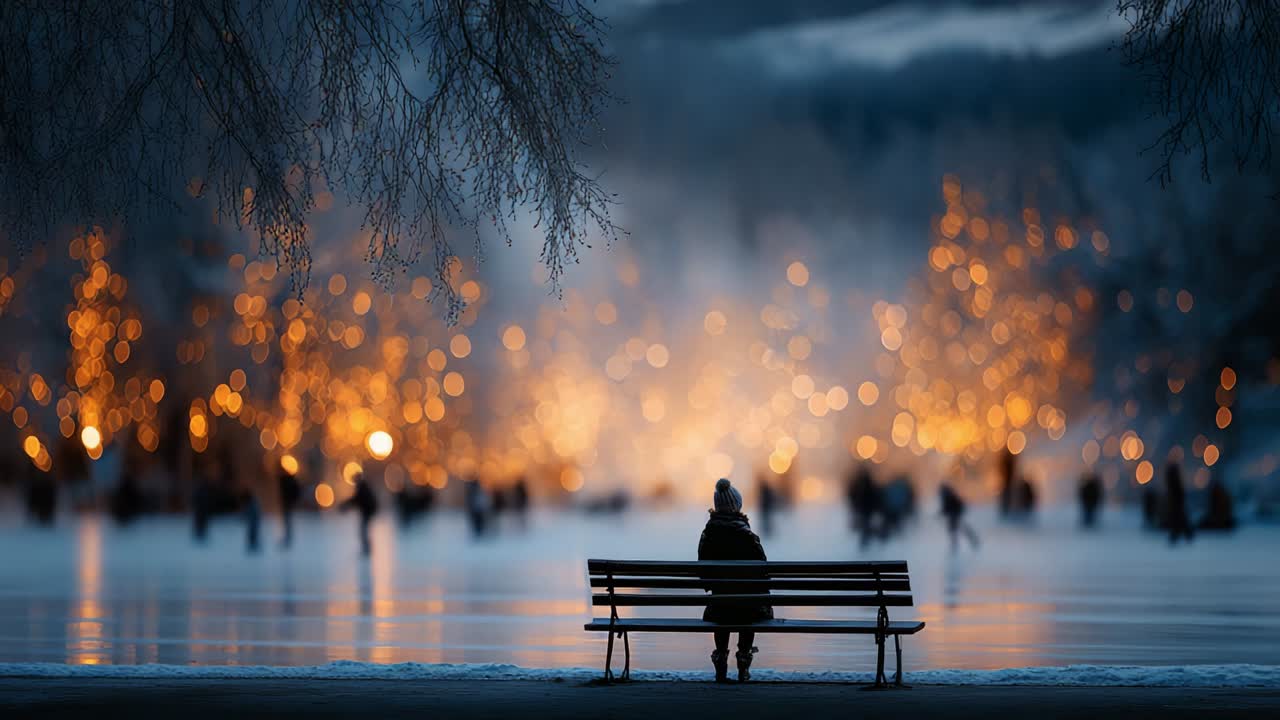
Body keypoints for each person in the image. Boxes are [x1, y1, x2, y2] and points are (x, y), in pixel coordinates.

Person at [698, 478, 772, 683]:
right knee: (748, 606)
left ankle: (721, 662)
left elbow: (704, 577)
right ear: (736, 506)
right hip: (748, 607)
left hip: (719, 607)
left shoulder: (708, 534)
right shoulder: (747, 535)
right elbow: (763, 571)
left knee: (722, 608)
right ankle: (743, 665)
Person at [341, 472, 379, 555]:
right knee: (363, 530)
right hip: (367, 511)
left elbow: (356, 499)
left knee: (363, 531)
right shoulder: (363, 486)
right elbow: (356, 499)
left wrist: (345, 506)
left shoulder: (362, 487)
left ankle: (367, 549)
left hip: (368, 511)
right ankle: (366, 548)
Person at [939, 483, 979, 551]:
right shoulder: (947, 496)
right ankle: (956, 544)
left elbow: (956, 505)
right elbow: (946, 508)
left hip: (955, 515)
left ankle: (972, 540)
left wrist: (954, 513)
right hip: (953, 516)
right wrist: (941, 513)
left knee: (959, 529)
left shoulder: (950, 496)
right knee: (954, 530)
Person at [1163, 464, 1194, 544]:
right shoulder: (1177, 485)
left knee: (1178, 516)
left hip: (1176, 504)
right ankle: (1185, 533)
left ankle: (1182, 533)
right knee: (1179, 516)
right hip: (1177, 504)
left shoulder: (1174, 487)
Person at [277, 467, 301, 547]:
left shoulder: (287, 481)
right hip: (287, 503)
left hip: (287, 504)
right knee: (287, 521)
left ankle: (288, 538)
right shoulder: (289, 480)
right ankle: (288, 537)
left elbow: (292, 492)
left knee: (287, 521)